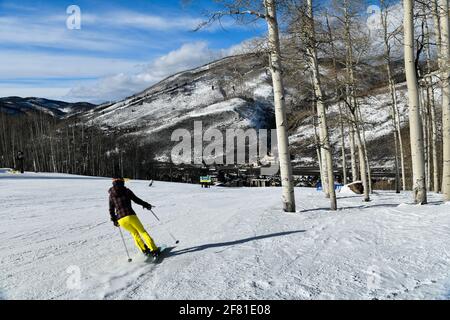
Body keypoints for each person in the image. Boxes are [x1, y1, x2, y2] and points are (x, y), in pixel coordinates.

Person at [109, 177, 160, 257]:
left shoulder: (111, 195)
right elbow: (136, 200)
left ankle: (144, 250)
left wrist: (114, 220)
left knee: (134, 233)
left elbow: (111, 209)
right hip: (130, 215)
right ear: (122, 182)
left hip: (121, 220)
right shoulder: (126, 191)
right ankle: (154, 249)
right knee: (142, 232)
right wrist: (146, 205)